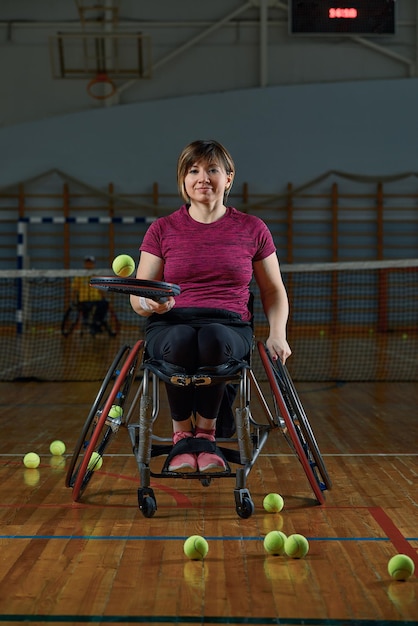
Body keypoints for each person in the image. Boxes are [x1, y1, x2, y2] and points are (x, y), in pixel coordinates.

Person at [130, 140, 291, 473]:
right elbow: (139, 294)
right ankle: (180, 437)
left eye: (212, 170)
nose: (203, 178)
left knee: (213, 339)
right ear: (183, 181)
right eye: (194, 171)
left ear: (228, 178)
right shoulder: (162, 229)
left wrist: (278, 333)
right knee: (181, 340)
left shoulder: (252, 229)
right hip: (169, 324)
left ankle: (205, 435)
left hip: (229, 326)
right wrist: (149, 302)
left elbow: (273, 290)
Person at [71, 256, 109, 336]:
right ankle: (89, 323)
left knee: (104, 304)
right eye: (87, 263)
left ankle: (96, 323)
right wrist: (73, 301)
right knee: (86, 308)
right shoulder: (80, 276)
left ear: (93, 264)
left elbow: (101, 289)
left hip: (96, 300)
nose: (88, 265)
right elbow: (74, 289)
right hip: (84, 301)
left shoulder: (96, 275)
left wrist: (104, 298)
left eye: (90, 263)